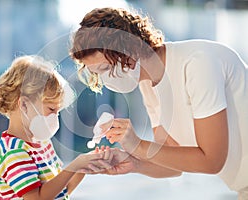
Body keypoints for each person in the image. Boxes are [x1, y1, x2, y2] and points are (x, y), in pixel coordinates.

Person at [70, 7, 248, 199]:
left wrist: (138, 145)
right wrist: (133, 162)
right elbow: (174, 165)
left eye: (106, 68)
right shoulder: (148, 84)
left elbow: (212, 161)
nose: (105, 80)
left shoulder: (197, 63)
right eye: (98, 74)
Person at [0, 55, 113, 200]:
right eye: (51, 109)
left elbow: (61, 191)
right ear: (24, 104)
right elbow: (37, 198)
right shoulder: (13, 152)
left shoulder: (42, 143)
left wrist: (83, 166)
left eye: (58, 111)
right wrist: (74, 165)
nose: (56, 117)